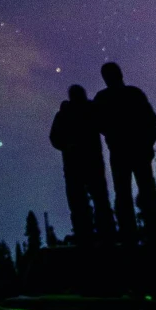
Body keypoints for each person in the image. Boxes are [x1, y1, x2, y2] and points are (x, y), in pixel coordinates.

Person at [92, 61, 156, 240]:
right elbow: (150, 120)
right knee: (134, 193)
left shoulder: (107, 97)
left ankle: (137, 234)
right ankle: (145, 234)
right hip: (132, 151)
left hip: (128, 151)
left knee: (130, 193)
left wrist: (146, 145)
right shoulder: (132, 94)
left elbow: (150, 120)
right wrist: (147, 144)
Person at [49, 84, 111, 243]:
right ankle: (100, 233)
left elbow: (55, 138)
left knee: (84, 201)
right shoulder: (86, 111)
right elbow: (55, 137)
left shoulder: (67, 113)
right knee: (94, 200)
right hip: (86, 164)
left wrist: (66, 146)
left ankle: (89, 233)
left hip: (78, 165)